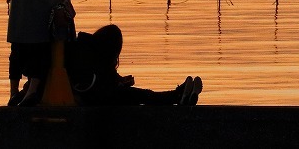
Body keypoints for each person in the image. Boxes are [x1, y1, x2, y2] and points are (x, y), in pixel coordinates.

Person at [66, 24, 203, 106]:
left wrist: (119, 81)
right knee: (143, 96)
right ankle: (177, 96)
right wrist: (118, 83)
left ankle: (178, 96)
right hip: (93, 101)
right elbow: (94, 85)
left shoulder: (90, 51)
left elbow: (103, 79)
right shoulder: (89, 57)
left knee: (143, 95)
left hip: (99, 97)